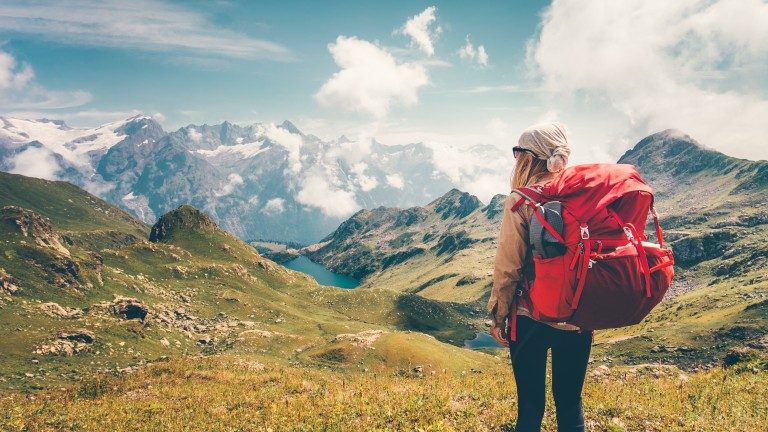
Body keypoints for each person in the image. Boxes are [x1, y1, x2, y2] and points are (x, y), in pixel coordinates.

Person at [487, 123, 593, 432]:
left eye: (518, 152)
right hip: (577, 317)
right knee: (570, 402)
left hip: (529, 317)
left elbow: (509, 266)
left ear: (532, 159)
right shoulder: (585, 199)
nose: (515, 158)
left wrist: (499, 315)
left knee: (531, 405)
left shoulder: (520, 201)